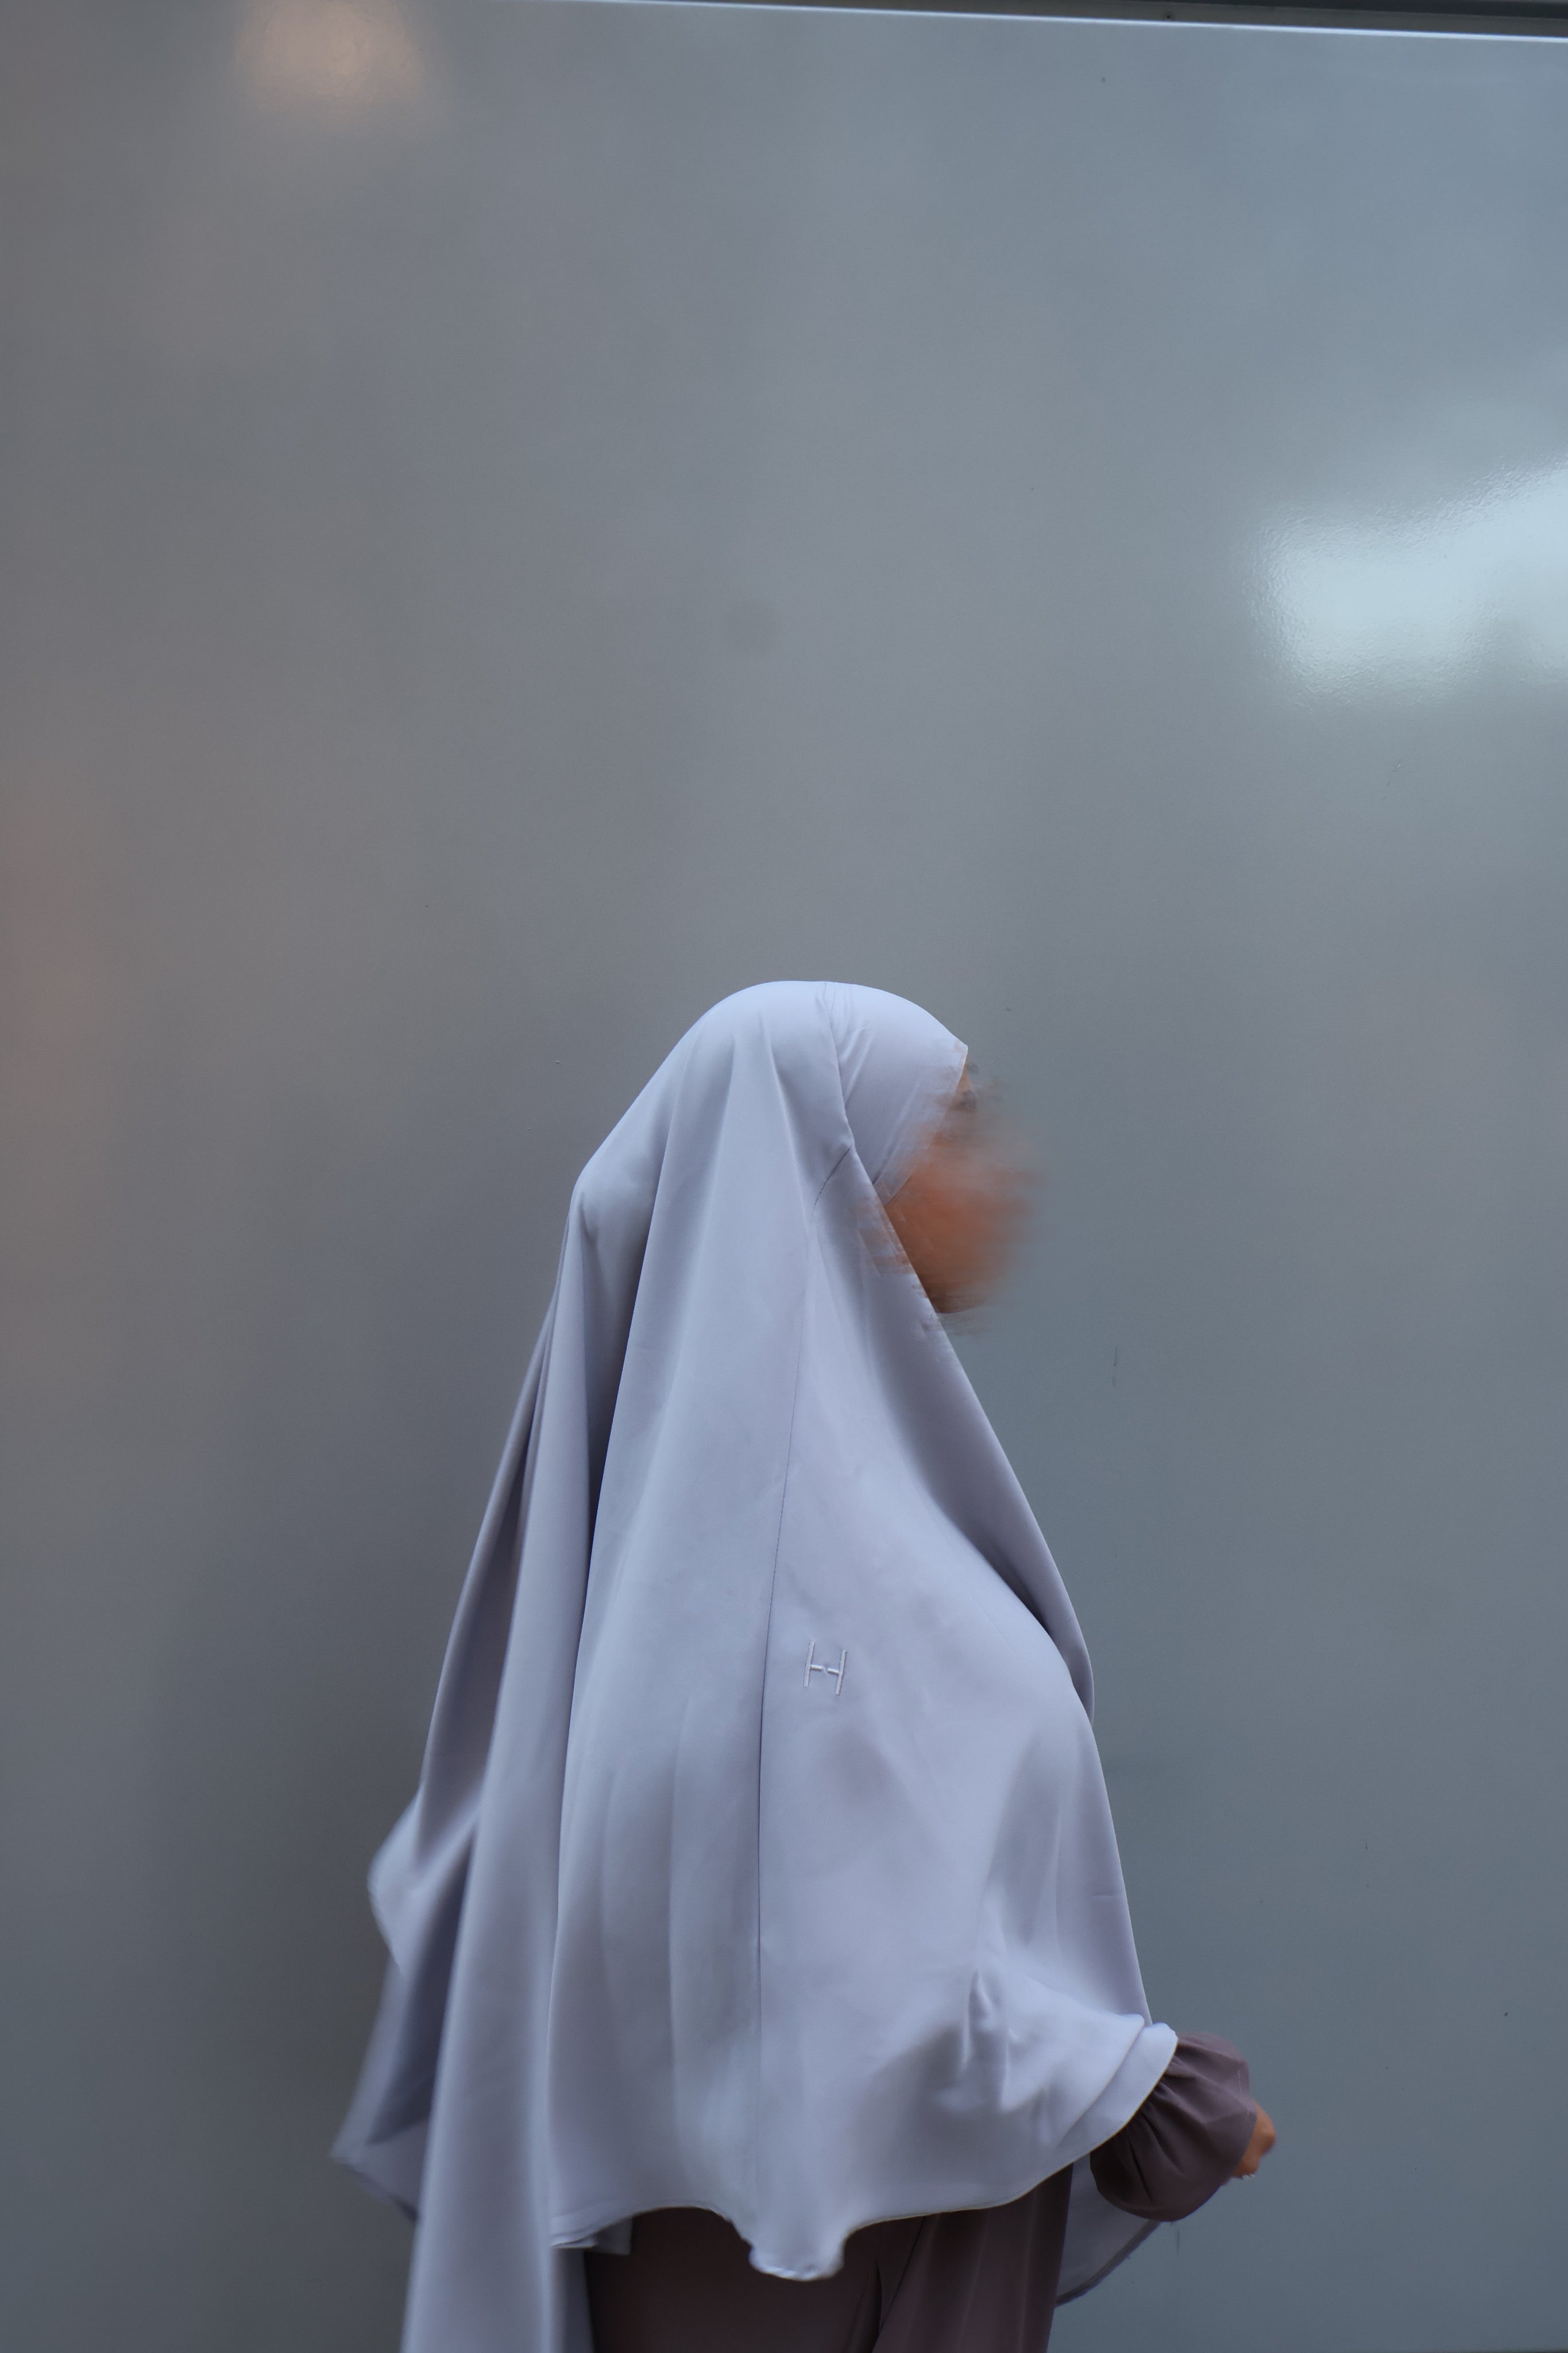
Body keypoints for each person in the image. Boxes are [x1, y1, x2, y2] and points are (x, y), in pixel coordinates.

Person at [336, 982, 1275, 2353]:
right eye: (955, 1126)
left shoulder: (824, 1528)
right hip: (802, 2271)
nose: (1005, 1172)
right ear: (831, 1171)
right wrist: (1149, 2094)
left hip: (898, 2232)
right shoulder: (764, 1577)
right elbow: (796, 1979)